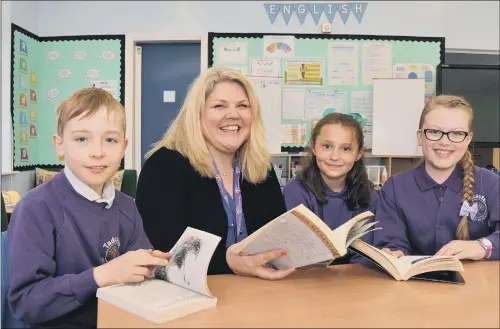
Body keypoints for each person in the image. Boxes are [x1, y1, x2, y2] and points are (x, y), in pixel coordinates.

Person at [7, 88, 170, 328]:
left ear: (123, 148)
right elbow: (25, 302)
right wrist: (101, 276)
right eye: (82, 139)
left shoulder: (127, 206)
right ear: (60, 145)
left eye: (110, 140)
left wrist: (151, 264)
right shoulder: (35, 208)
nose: (98, 152)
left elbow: (140, 277)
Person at [135, 67, 295, 280]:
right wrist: (229, 261)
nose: (233, 115)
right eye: (219, 106)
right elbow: (163, 253)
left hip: (258, 291)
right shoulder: (164, 165)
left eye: (243, 106)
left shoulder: (259, 166)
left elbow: (277, 235)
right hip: (190, 295)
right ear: (197, 114)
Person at [373, 95, 499, 260]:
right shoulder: (395, 188)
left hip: (476, 284)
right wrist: (393, 253)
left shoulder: (490, 183)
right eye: (434, 132)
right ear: (420, 136)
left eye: (456, 133)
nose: (445, 142)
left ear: (468, 139)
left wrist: (481, 247)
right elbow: (392, 243)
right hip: (414, 284)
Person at [283, 113, 379, 264]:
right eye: (327, 146)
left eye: (346, 149)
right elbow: (299, 253)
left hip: (354, 279)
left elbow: (364, 256)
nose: (335, 157)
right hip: (307, 278)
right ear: (314, 147)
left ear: (359, 154)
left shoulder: (369, 195)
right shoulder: (295, 191)